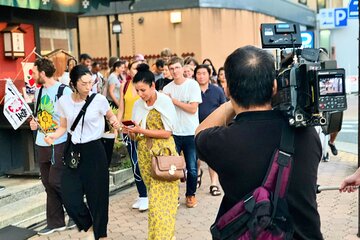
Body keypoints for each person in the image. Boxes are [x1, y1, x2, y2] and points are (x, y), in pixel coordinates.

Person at [195, 46, 323, 239]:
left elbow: (199, 134)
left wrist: (231, 101)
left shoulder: (221, 141)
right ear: (274, 87)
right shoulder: (306, 133)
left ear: (227, 89)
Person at [44, 65, 120, 240]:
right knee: (70, 197)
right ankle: (89, 226)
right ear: (73, 83)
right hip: (73, 150)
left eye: (90, 83)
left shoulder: (99, 99)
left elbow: (110, 116)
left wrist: (115, 122)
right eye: (84, 83)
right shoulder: (63, 102)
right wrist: (53, 136)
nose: (88, 87)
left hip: (94, 150)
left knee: (97, 196)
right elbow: (63, 127)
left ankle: (101, 235)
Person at [123, 63, 179, 240]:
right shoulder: (139, 105)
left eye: (143, 90)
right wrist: (131, 133)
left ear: (153, 86)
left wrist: (141, 131)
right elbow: (137, 134)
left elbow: (167, 132)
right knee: (154, 205)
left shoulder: (164, 102)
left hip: (164, 157)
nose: (140, 95)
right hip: (145, 157)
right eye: (137, 91)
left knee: (163, 204)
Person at [29, 58, 74, 235]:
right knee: (48, 183)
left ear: (42, 73)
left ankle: (77, 210)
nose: (32, 76)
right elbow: (40, 116)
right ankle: (55, 222)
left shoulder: (64, 90)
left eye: (33, 72)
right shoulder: (39, 92)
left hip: (59, 142)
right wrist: (34, 123)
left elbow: (72, 117)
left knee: (57, 180)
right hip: (42, 142)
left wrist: (58, 132)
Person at [163, 56, 202, 208]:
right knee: (172, 168)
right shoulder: (167, 89)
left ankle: (190, 195)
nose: (174, 71)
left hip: (190, 132)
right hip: (173, 133)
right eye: (171, 68)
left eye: (177, 67)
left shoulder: (192, 85)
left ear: (182, 68)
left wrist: (174, 101)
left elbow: (193, 109)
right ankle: (173, 197)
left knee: (192, 168)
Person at [117, 58, 149, 211]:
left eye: (139, 68)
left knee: (141, 162)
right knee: (134, 162)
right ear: (129, 70)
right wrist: (117, 125)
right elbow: (121, 108)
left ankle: (146, 195)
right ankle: (142, 194)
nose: (136, 71)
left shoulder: (146, 86)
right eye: (133, 68)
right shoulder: (125, 85)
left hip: (143, 130)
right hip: (127, 129)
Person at [194, 64, 226, 196]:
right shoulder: (192, 89)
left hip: (213, 128)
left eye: (204, 73)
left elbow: (224, 108)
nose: (201, 76)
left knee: (212, 156)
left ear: (209, 75)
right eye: (198, 73)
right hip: (195, 127)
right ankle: (196, 174)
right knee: (195, 157)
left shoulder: (217, 90)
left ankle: (214, 184)